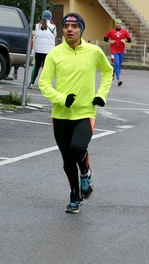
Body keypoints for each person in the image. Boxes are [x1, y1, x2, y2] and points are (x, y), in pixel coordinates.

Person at [39, 12, 113, 214]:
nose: (69, 30)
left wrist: (101, 95)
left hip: (85, 112)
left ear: (81, 29)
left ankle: (86, 172)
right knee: (67, 159)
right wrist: (61, 99)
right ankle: (74, 195)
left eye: (74, 26)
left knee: (78, 148)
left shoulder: (94, 51)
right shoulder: (55, 53)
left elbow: (108, 72)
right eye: (66, 26)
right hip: (60, 115)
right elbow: (43, 84)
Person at [28, 10, 56, 89]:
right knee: (45, 68)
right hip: (49, 51)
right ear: (50, 17)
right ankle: (44, 85)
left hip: (38, 50)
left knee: (36, 66)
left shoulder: (37, 26)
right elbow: (55, 35)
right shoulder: (53, 27)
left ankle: (31, 83)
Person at [104, 19, 131, 86]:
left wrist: (125, 41)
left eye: (120, 23)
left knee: (118, 64)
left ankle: (113, 73)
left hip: (121, 51)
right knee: (117, 63)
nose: (119, 24)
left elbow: (129, 40)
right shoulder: (111, 31)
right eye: (117, 23)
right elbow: (105, 38)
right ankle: (118, 80)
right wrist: (110, 41)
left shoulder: (124, 32)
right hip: (114, 51)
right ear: (115, 24)